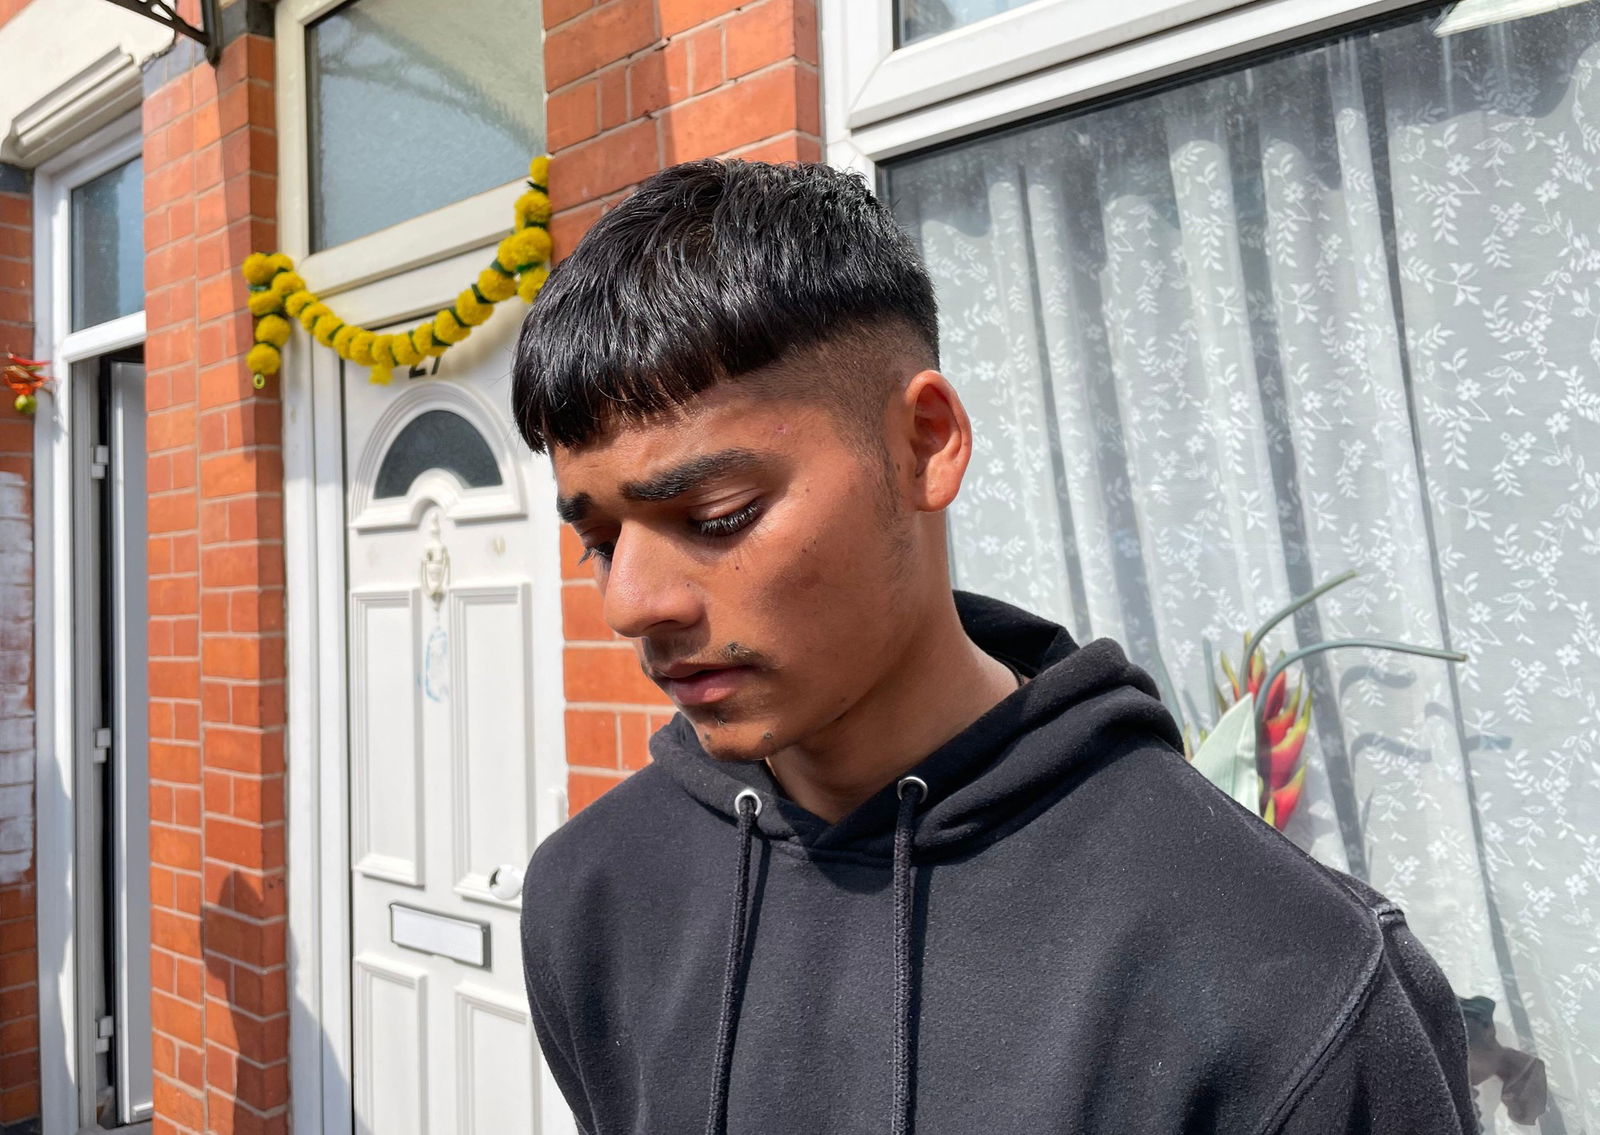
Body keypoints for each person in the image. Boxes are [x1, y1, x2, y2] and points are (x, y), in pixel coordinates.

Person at [510, 159, 1476, 1135]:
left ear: (926, 442)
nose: (632, 601)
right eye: (599, 538)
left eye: (718, 514)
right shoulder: (592, 896)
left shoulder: (1289, 977)